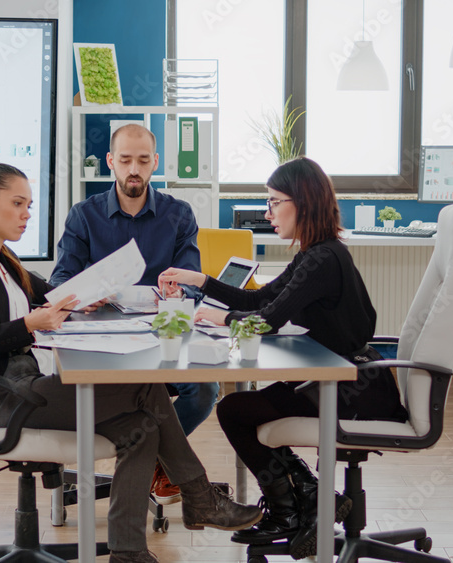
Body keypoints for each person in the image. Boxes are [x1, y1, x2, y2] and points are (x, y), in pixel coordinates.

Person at [0, 163, 261, 563]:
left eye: (29, 205)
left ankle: (129, 551)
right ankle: (199, 495)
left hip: (24, 382)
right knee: (145, 387)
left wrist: (86, 296)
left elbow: (53, 292)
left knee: (141, 426)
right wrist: (27, 325)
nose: (26, 214)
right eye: (17, 204)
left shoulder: (2, 258)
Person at [157, 157, 409, 559]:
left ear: (303, 203)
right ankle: (304, 498)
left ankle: (291, 506)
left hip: (353, 389)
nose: (267, 212)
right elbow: (259, 299)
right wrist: (200, 280)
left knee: (236, 411)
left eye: (275, 202)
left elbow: (268, 320)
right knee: (239, 408)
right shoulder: (316, 254)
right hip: (342, 378)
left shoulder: (322, 259)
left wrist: (219, 317)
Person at [50, 123, 218, 503]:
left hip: (160, 340)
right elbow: (60, 280)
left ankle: (157, 463)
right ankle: (164, 466)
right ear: (111, 161)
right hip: (102, 345)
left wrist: (179, 292)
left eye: (143, 160)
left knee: (207, 389)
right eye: (125, 160)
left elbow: (191, 280)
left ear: (155, 162)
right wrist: (80, 296)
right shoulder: (84, 215)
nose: (134, 170)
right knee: (139, 395)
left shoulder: (178, 215)